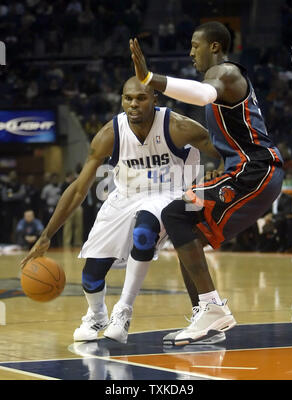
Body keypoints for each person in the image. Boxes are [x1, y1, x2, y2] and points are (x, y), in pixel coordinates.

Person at [20, 76, 222, 344]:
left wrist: (216, 175)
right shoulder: (109, 133)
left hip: (170, 193)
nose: (133, 104)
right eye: (128, 98)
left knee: (144, 231)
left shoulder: (177, 126)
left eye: (141, 98)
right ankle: (97, 315)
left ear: (155, 99)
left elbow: (222, 152)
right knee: (92, 274)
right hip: (124, 196)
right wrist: (46, 235)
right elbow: (79, 190)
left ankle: (123, 311)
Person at [129, 21, 284, 346]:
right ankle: (206, 318)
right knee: (189, 236)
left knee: (174, 212)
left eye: (194, 45)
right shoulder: (220, 83)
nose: (190, 52)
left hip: (256, 170)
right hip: (249, 172)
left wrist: (149, 78)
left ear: (214, 46)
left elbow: (201, 95)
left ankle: (212, 307)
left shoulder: (226, 73)